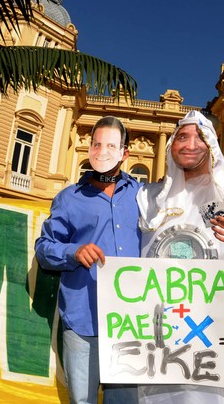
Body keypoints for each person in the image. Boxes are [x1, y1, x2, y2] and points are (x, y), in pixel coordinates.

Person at [136, 110, 224, 404]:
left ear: (212, 144)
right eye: (182, 136)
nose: (190, 144)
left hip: (218, 326)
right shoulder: (149, 197)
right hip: (164, 331)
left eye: (200, 136)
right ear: (171, 144)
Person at [35, 116, 141, 404]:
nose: (102, 150)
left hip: (132, 323)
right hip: (84, 320)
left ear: (125, 152)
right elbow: (44, 247)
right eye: (96, 143)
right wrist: (73, 252)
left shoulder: (143, 196)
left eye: (111, 145)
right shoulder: (68, 198)